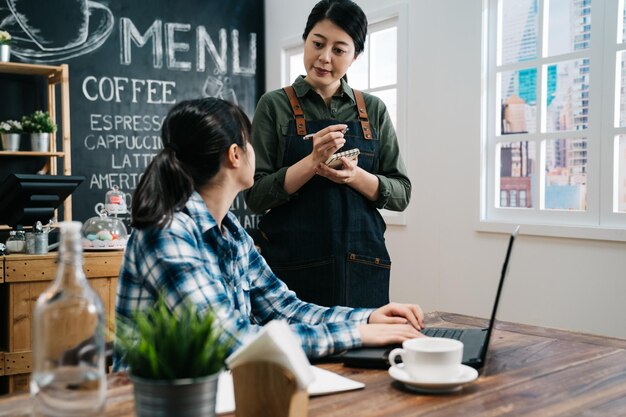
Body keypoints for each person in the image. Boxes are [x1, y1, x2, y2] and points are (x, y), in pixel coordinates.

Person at [114, 97, 424, 368]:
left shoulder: (232, 233)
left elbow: (284, 308)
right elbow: (230, 341)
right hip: (150, 402)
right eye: (249, 143)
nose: (255, 152)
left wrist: (367, 319)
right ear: (235, 155)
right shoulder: (168, 234)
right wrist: (356, 335)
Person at [244, 0, 410, 308]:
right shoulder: (274, 105)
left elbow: (402, 194)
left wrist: (355, 176)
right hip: (290, 274)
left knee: (365, 356)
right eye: (317, 43)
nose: (324, 57)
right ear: (305, 40)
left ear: (355, 55)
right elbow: (255, 197)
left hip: (362, 267)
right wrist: (311, 163)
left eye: (339, 49)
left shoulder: (373, 110)